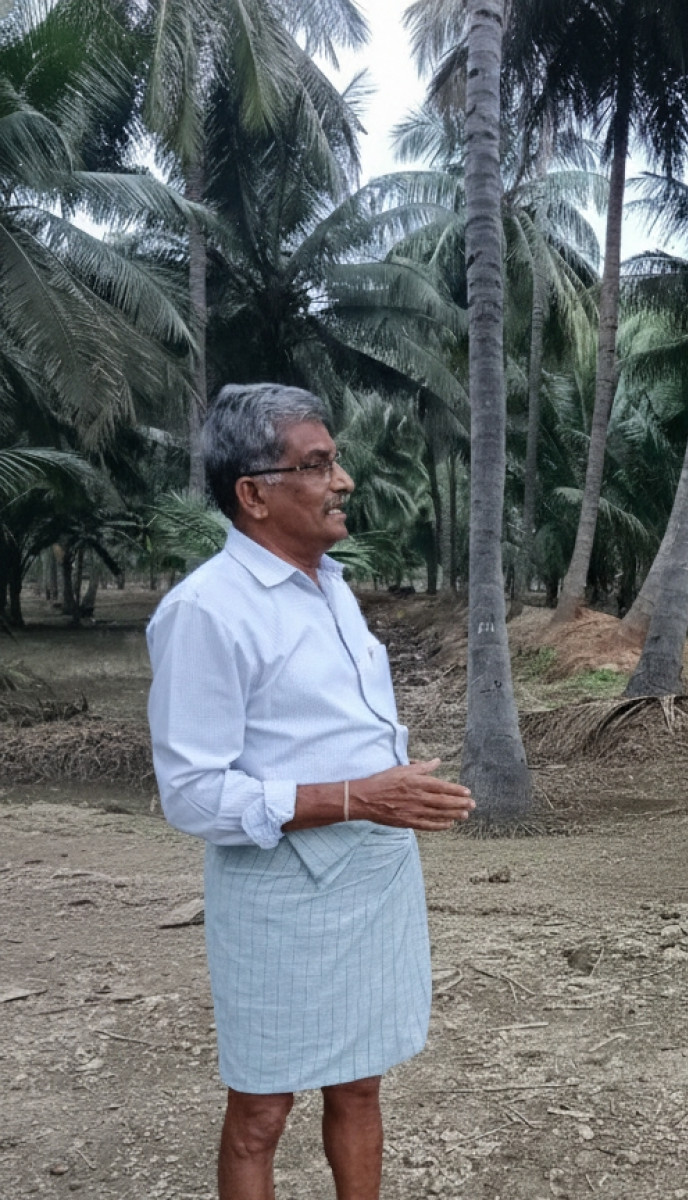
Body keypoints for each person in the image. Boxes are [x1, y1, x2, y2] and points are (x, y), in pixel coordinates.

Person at [146, 383, 475, 1200]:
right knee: (262, 1107)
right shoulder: (206, 613)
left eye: (336, 461)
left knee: (361, 1082)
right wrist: (358, 797)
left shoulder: (328, 584)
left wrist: (381, 803)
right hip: (280, 896)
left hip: (372, 876)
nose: (344, 480)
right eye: (317, 464)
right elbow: (192, 795)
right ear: (254, 494)